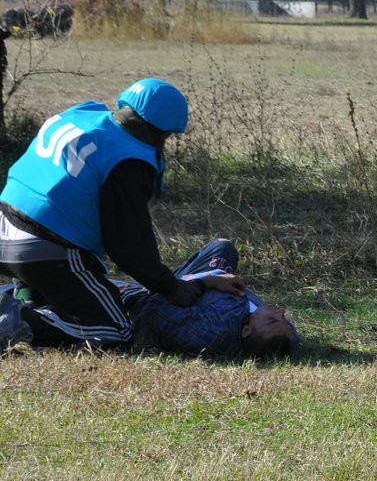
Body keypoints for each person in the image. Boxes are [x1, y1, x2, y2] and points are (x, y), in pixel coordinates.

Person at [0, 77, 244, 346]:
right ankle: (20, 321)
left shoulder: (81, 114)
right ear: (162, 132)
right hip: (45, 245)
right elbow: (128, 241)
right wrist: (171, 287)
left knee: (57, 288)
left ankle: (24, 298)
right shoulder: (128, 159)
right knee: (115, 329)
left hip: (5, 225)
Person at [118, 238, 300, 358]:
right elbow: (287, 338)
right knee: (223, 247)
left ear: (246, 331)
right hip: (203, 280)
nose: (281, 312)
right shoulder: (280, 335)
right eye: (285, 319)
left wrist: (206, 282)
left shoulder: (209, 332)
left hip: (150, 294)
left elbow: (152, 308)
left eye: (272, 320)